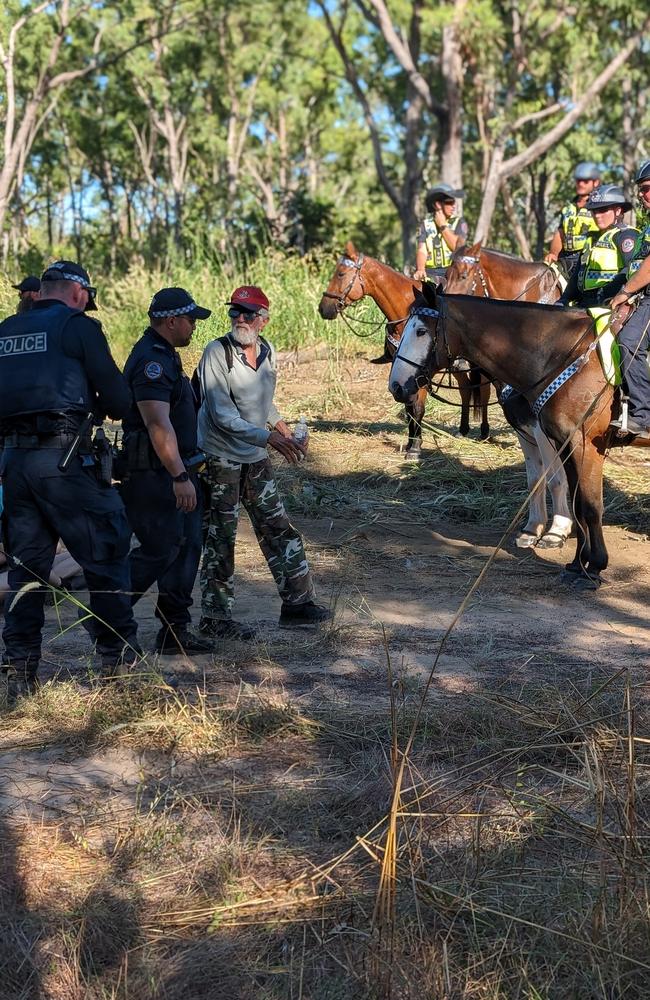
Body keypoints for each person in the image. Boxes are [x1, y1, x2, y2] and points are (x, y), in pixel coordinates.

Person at [0, 260, 139, 702]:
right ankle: (119, 667)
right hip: (65, 460)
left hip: (14, 466)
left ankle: (19, 676)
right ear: (78, 293)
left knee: (25, 572)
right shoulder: (78, 327)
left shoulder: (6, 331)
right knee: (106, 555)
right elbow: (118, 399)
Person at [196, 285, 331, 639]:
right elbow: (222, 415)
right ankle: (215, 617)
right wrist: (269, 438)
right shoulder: (216, 353)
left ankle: (298, 604)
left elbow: (263, 401)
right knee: (220, 537)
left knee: (278, 527)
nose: (239, 318)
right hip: (220, 457)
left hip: (254, 455)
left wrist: (281, 428)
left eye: (248, 313)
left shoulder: (267, 351)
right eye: (235, 312)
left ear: (263, 321)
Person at [120, 288, 213, 655]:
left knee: (186, 547)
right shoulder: (151, 360)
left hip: (177, 471)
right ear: (171, 321)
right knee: (160, 549)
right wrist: (178, 476)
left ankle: (174, 630)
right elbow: (157, 424)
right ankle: (109, 617)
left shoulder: (166, 356)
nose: (194, 327)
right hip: (154, 475)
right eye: (191, 320)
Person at [609, 160, 650, 437]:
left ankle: (644, 415)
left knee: (629, 343)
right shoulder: (646, 227)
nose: (642, 195)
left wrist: (626, 292)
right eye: (641, 190)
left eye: (647, 189)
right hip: (642, 297)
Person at [559, 184, 638, 308]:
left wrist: (607, 291)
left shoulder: (626, 235)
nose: (597, 215)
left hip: (610, 304)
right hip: (583, 304)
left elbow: (632, 268)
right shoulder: (591, 238)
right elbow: (577, 275)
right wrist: (564, 299)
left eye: (603, 210)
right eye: (594, 211)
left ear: (618, 211)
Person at [545, 162, 601, 280]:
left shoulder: (600, 206)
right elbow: (560, 233)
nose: (580, 184)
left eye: (585, 181)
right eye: (578, 181)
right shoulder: (568, 208)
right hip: (566, 259)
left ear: (595, 182)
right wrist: (553, 254)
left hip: (588, 260)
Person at [413, 183, 468, 283]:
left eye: (454, 202)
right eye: (450, 202)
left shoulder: (459, 223)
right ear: (437, 204)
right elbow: (422, 250)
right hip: (430, 274)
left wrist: (442, 226)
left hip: (452, 274)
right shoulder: (425, 225)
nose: (453, 206)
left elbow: (457, 248)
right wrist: (420, 269)